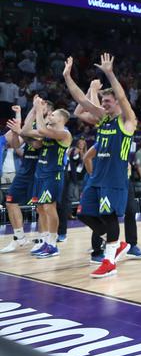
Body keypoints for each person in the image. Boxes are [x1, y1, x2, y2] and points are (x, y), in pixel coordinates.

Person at [64, 54, 137, 278]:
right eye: (102, 101)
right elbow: (81, 100)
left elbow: (122, 96)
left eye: (108, 101)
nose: (104, 104)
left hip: (114, 178)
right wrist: (67, 76)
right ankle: (117, 244)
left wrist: (110, 73)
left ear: (117, 103)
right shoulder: (103, 119)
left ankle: (109, 261)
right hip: (97, 177)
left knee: (109, 217)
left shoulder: (127, 121)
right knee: (83, 213)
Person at [27, 96, 72, 258]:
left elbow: (41, 129)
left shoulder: (64, 133)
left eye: (53, 115)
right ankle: (45, 241)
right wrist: (34, 110)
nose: (50, 116)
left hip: (53, 175)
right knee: (40, 208)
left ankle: (53, 245)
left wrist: (39, 109)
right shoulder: (47, 132)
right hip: (40, 174)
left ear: (61, 119)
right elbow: (25, 131)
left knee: (49, 207)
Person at [1, 105, 41, 253]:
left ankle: (43, 239)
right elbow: (16, 144)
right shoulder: (28, 128)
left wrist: (21, 132)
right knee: (10, 202)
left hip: (40, 171)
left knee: (42, 207)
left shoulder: (46, 128)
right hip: (24, 171)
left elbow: (37, 144)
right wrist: (17, 121)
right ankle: (19, 237)